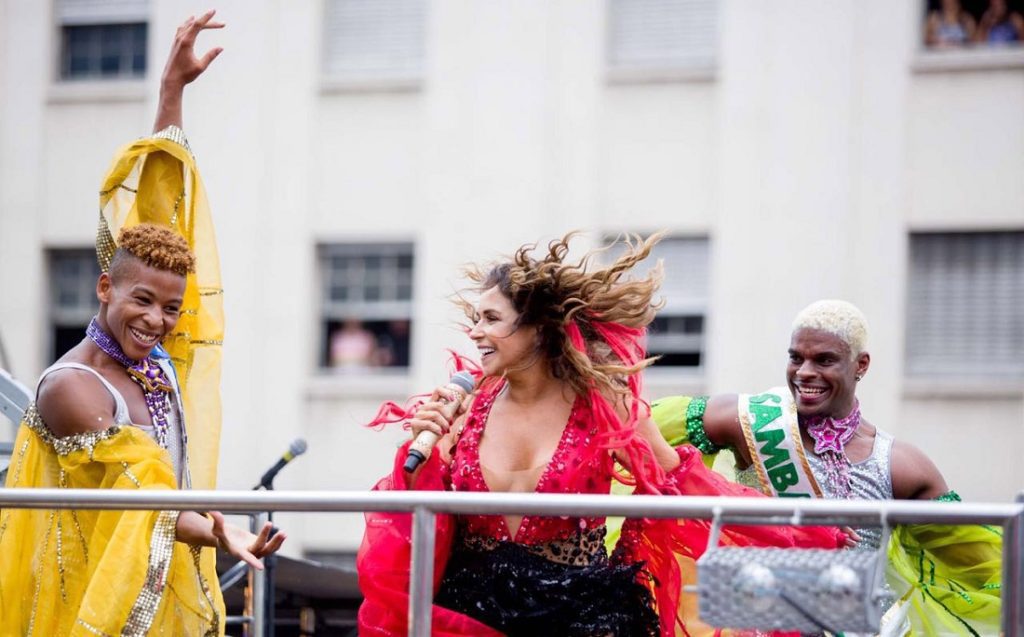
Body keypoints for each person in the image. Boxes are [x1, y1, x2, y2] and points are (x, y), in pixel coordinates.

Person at [357, 234, 847, 637]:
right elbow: (414, 523)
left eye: (490, 319)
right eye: (473, 320)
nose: (476, 333)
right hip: (469, 614)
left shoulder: (604, 402)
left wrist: (795, 537)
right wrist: (426, 447)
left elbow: (679, 486)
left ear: (539, 328)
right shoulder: (463, 406)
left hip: (580, 616)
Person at [0, 12, 285, 635]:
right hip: (87, 602)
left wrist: (171, 94)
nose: (158, 320)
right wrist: (218, 531)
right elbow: (143, 503)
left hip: (148, 588)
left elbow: (161, 214)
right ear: (105, 288)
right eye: (142, 301)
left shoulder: (151, 358)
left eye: (172, 308)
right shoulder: (71, 387)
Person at [652, 299, 1002, 635]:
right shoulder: (750, 424)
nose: (805, 373)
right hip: (760, 625)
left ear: (861, 365)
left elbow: (983, 564)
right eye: (796, 358)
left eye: (824, 360)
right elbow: (641, 429)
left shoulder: (900, 464)